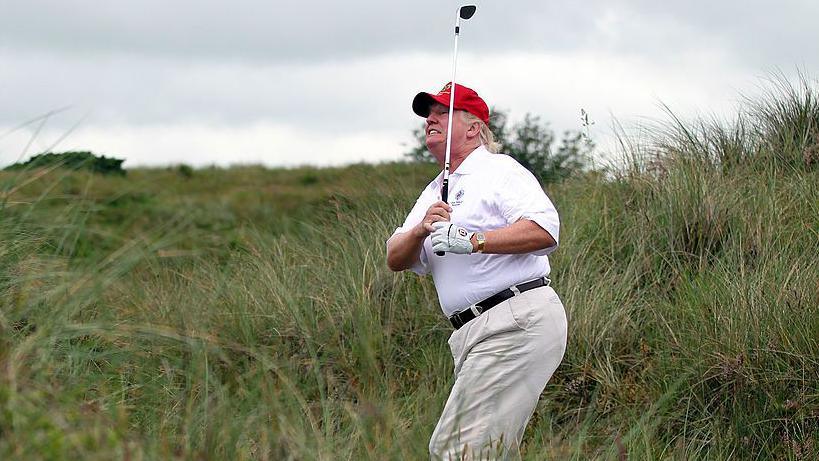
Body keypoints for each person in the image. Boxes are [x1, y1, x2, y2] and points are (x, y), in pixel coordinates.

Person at [386, 82, 568, 460]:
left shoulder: (498, 170)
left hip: (514, 321)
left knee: (455, 449)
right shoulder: (436, 189)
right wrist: (421, 230)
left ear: (474, 129)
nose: (431, 120)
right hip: (475, 333)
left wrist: (474, 240)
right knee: (490, 451)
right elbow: (394, 256)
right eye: (428, 115)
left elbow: (545, 229)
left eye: (443, 113)